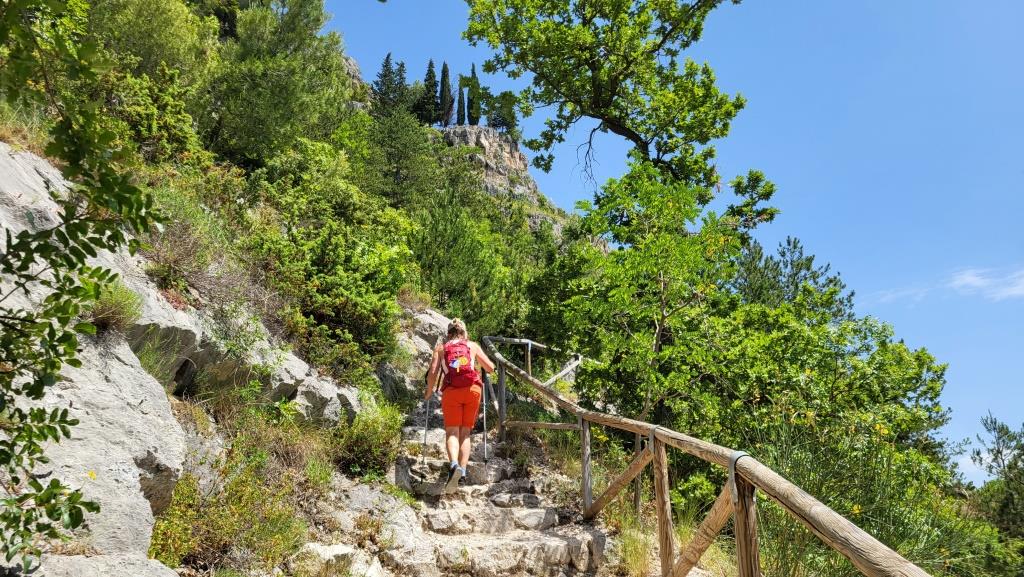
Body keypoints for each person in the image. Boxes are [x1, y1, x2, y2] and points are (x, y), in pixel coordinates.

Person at [424, 318, 495, 491]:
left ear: (448, 334)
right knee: (465, 433)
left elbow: (433, 372)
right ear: (464, 332)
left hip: (451, 391)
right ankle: (462, 473)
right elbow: (490, 368)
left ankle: (454, 465)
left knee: (452, 432)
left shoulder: (441, 349)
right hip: (472, 390)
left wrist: (428, 392)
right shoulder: (472, 346)